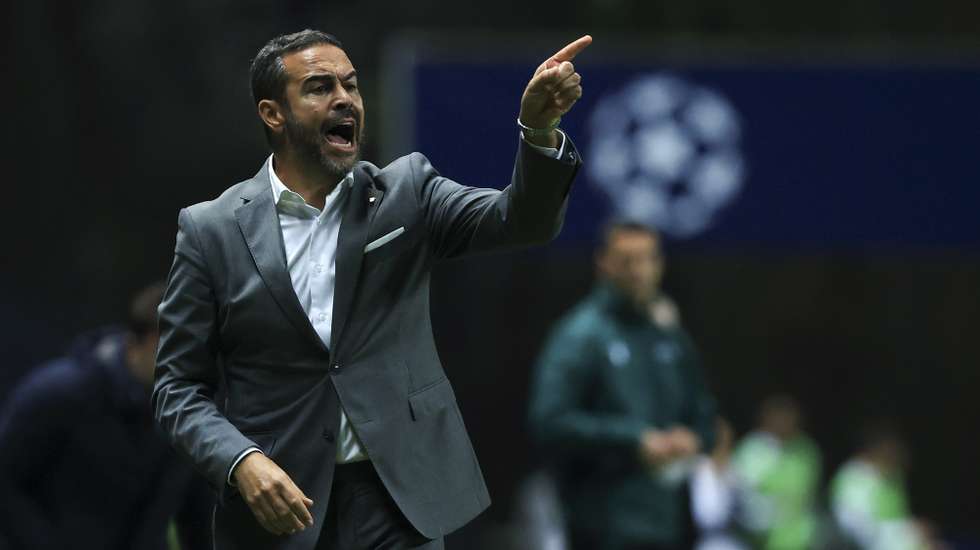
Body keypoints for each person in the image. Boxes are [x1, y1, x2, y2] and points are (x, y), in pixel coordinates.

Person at [151, 29, 589, 550]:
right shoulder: (211, 229)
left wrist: (537, 131)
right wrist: (240, 461)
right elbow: (177, 388)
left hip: (400, 501)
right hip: (278, 508)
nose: (343, 98)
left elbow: (521, 221)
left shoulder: (407, 191)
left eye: (351, 85)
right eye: (318, 87)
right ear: (273, 113)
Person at [528, 220, 718, 550]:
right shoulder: (580, 335)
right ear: (604, 262)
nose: (638, 270)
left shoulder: (669, 336)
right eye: (627, 260)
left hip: (671, 527)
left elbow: (704, 416)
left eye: (647, 258)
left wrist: (692, 438)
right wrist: (634, 439)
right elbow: (549, 421)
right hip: (604, 529)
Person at [0, 283, 211, 550]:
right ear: (148, 338)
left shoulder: (188, 417)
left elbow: (197, 518)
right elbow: (6, 481)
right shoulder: (59, 394)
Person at [731, 394, 821, 550]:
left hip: (803, 540)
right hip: (762, 542)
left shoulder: (806, 449)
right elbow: (742, 499)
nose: (787, 422)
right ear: (767, 419)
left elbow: (810, 496)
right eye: (782, 417)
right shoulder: (752, 451)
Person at [829, 421, 938, 550]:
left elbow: (898, 517)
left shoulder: (893, 475)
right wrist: (909, 532)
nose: (899, 456)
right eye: (893, 450)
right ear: (878, 449)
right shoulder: (854, 478)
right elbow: (855, 529)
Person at [689, 418, 749, 550]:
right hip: (709, 542)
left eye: (726, 438)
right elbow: (707, 516)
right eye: (720, 439)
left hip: (738, 542)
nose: (723, 442)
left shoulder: (736, 468)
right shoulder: (699, 467)